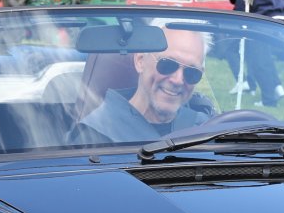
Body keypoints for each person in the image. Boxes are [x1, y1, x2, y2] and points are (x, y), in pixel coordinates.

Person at [74, 26, 214, 143]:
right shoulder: (93, 137)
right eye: (167, 65)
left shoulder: (205, 129)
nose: (178, 80)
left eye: (192, 72)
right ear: (140, 61)